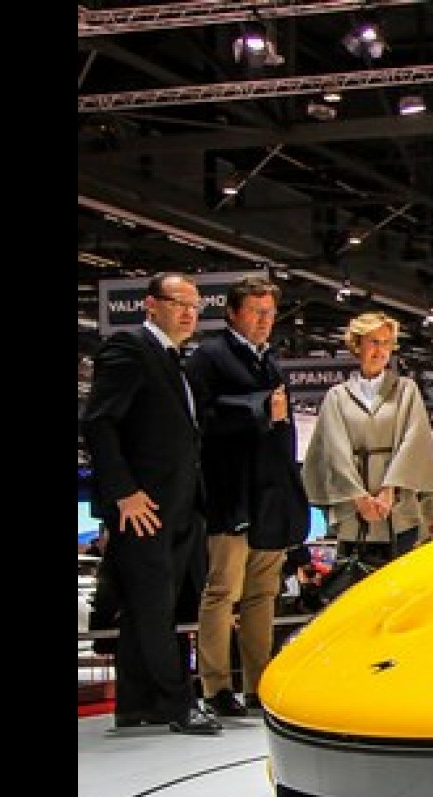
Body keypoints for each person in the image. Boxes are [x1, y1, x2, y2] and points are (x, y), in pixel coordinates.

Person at [78, 272, 218, 735]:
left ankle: (138, 705)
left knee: (153, 608)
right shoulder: (130, 347)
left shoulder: (175, 359)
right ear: (150, 304)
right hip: (143, 507)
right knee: (154, 607)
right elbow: (98, 422)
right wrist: (124, 492)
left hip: (178, 506)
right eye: (179, 303)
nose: (189, 313)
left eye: (195, 306)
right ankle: (177, 705)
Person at [184, 275, 312, 719]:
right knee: (222, 590)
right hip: (230, 493)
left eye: (270, 313)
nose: (264, 320)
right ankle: (216, 686)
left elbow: (283, 433)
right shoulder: (209, 357)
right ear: (233, 313)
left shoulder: (270, 361)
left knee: (263, 594)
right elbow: (201, 419)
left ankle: (258, 685)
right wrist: (258, 408)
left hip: (270, 494)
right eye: (256, 312)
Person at [301, 312, 433, 570]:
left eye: (386, 343)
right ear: (357, 345)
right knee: (356, 582)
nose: (381, 350)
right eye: (374, 342)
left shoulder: (406, 390)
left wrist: (389, 491)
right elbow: (334, 450)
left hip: (399, 509)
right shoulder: (337, 397)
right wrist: (359, 498)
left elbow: (414, 442)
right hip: (353, 512)